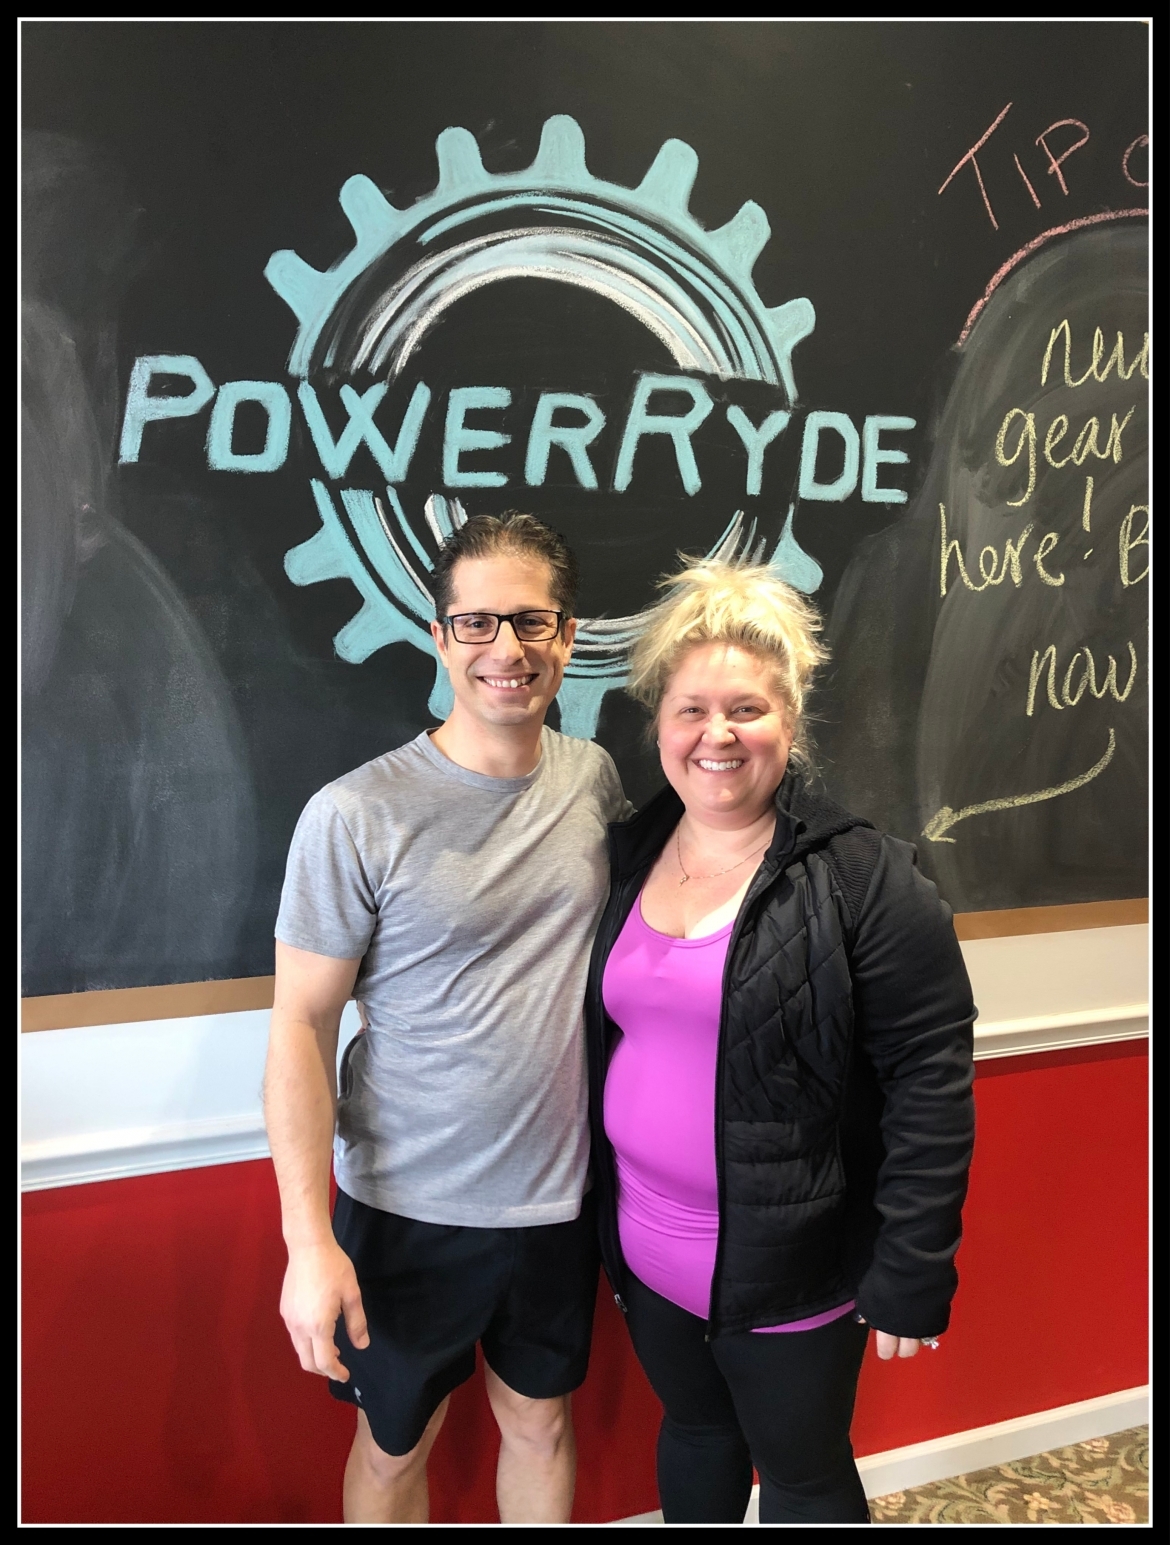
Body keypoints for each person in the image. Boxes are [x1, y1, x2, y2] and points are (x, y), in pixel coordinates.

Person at [584, 558, 976, 1525]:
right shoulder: (631, 851)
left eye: (746, 709)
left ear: (790, 724)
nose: (717, 734)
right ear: (659, 724)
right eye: (691, 710)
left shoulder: (867, 878)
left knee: (800, 1475)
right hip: (645, 1251)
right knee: (696, 1436)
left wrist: (915, 1261)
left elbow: (931, 1075)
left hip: (791, 1266)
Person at [264, 512, 631, 1525]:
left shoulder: (594, 783)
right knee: (390, 1453)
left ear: (567, 634)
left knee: (541, 1428)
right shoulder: (355, 815)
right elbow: (300, 1024)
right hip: (405, 1211)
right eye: (476, 624)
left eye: (529, 622)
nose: (504, 651)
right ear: (438, 635)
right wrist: (308, 1243)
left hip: (557, 1204)